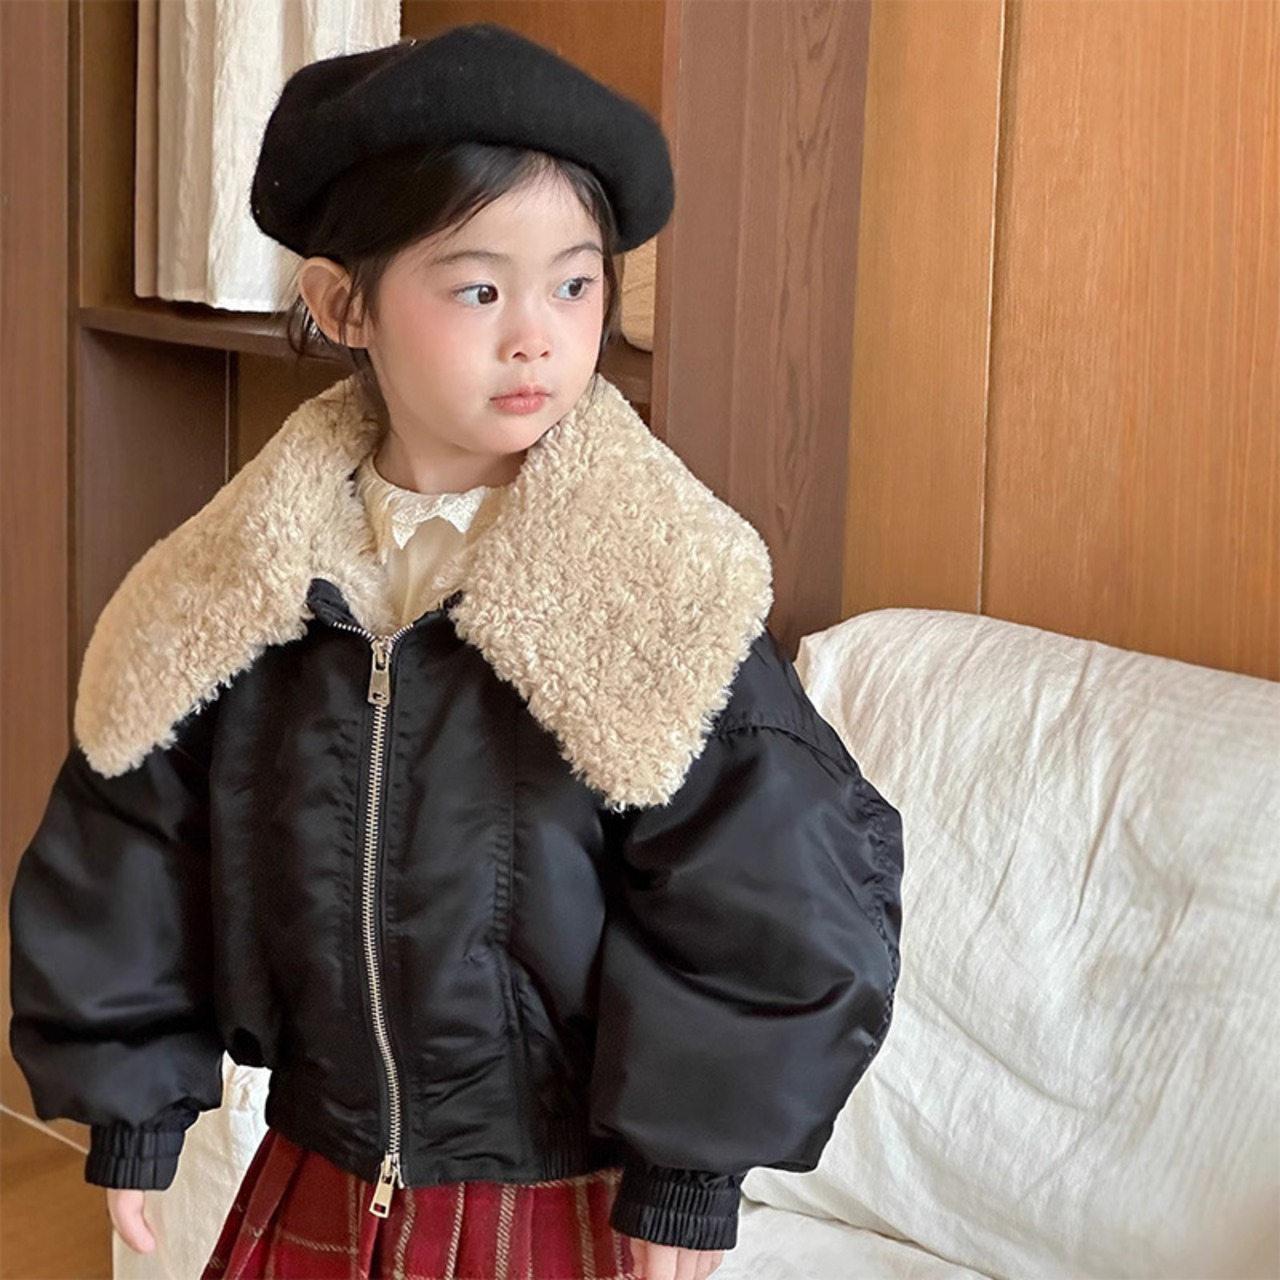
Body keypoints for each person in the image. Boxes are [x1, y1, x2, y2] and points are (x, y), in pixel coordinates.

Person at [7, 22, 904, 1280]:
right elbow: (134, 840)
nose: (535, 334)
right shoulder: (241, 589)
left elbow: (772, 888)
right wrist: (133, 1100)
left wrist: (689, 1171)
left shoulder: (652, 590)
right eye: (479, 289)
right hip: (317, 1157)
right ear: (342, 304)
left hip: (552, 1187)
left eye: (573, 286)